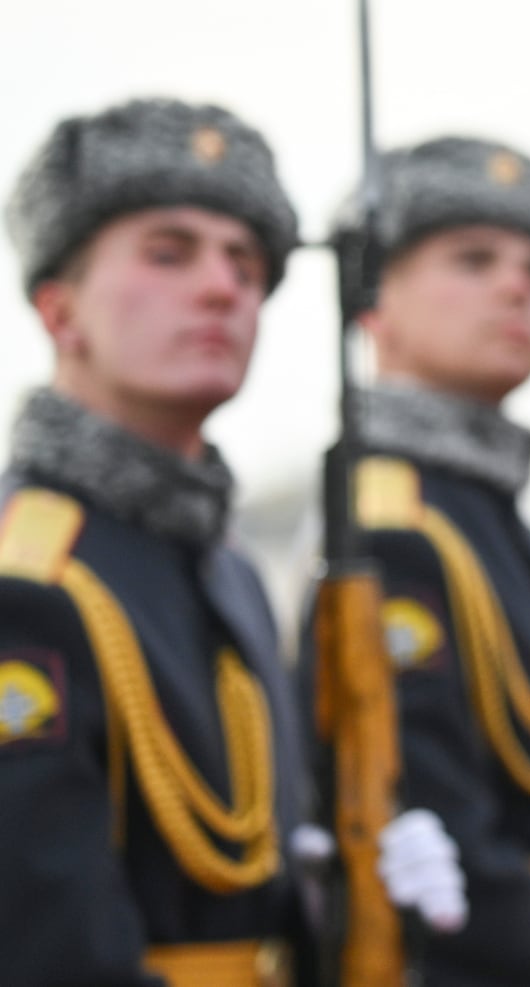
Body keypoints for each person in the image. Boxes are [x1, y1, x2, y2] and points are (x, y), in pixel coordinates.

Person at [0, 98, 313, 985]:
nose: (223, 286)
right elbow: (48, 949)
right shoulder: (30, 580)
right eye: (169, 254)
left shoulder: (230, 565)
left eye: (247, 266)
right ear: (60, 312)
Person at [302, 136, 530, 986]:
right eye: (473, 259)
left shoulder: (489, 515)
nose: (519, 287)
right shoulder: (390, 528)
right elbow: (442, 824)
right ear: (373, 302)